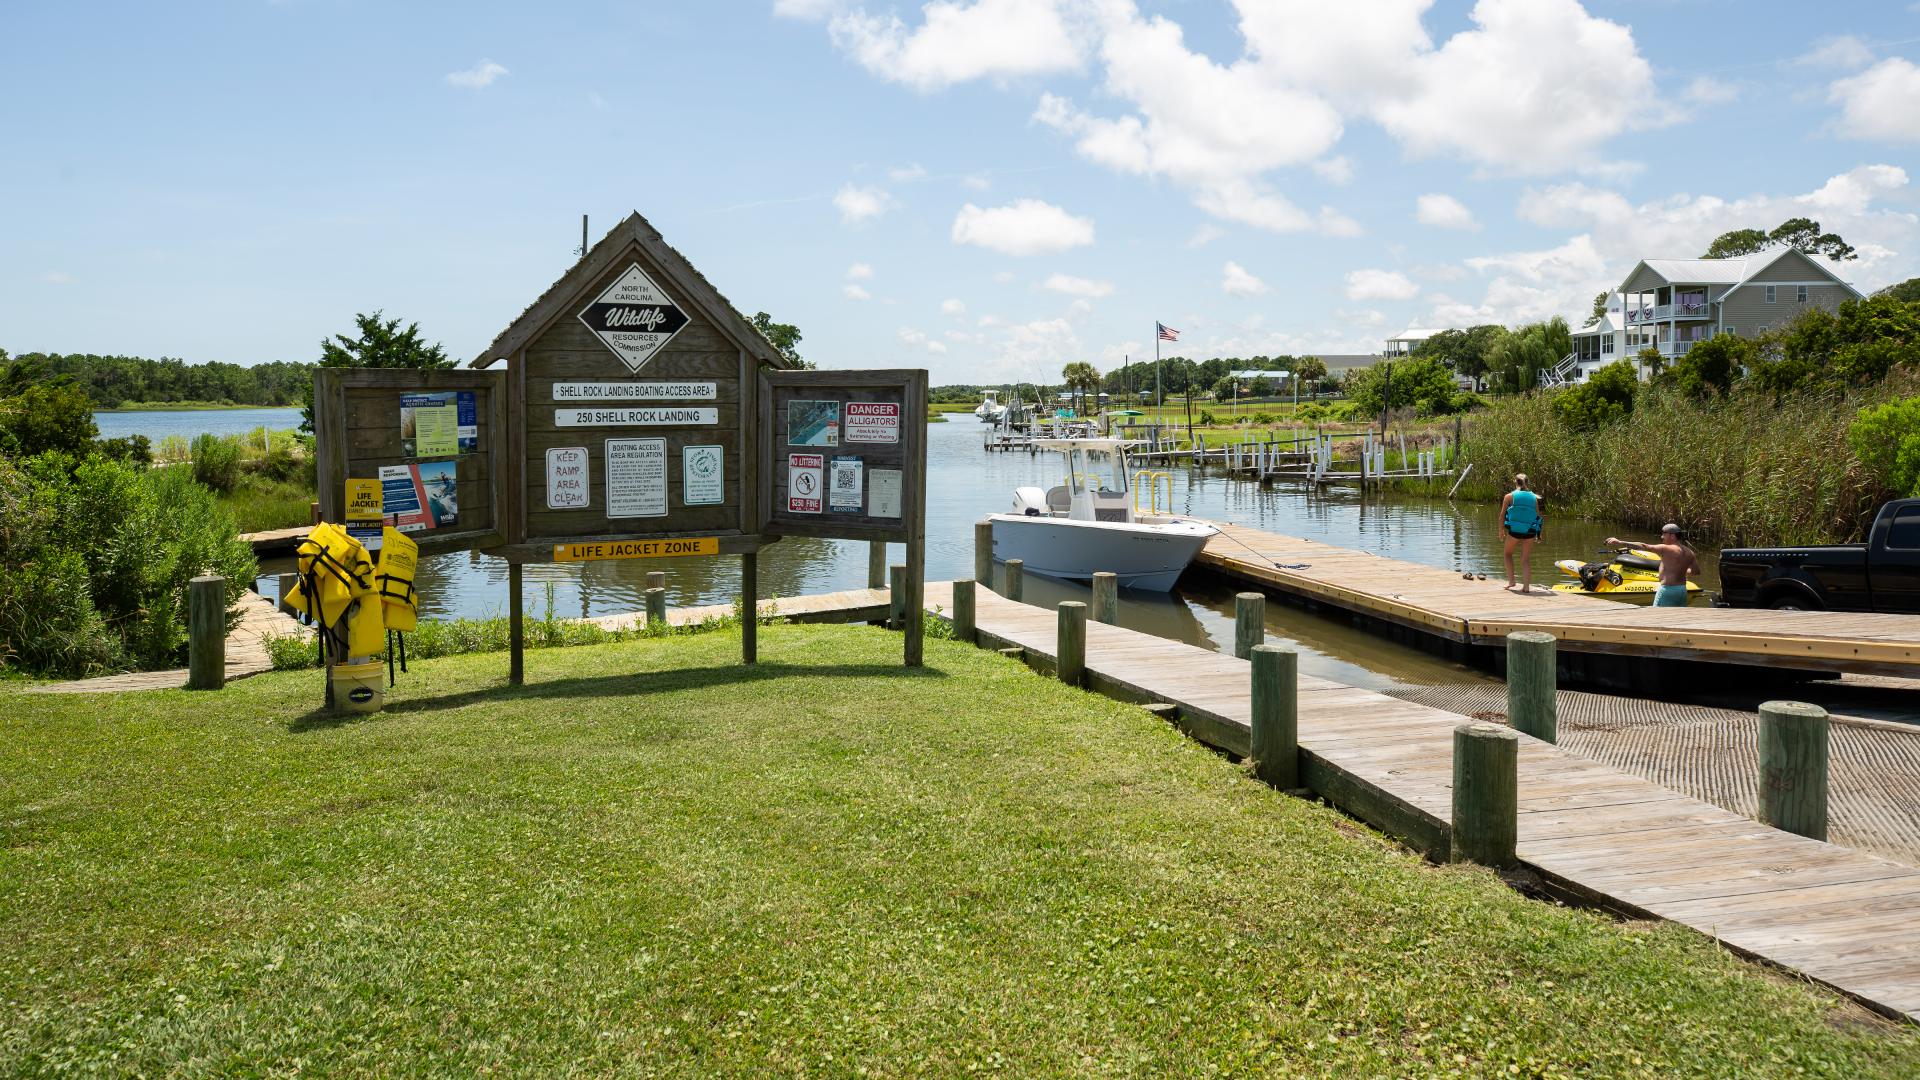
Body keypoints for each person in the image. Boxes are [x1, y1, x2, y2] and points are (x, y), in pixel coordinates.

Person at [1604, 524, 1700, 607]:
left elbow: (1644, 546)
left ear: (1672, 535)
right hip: (1682, 590)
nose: (1662, 537)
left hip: (1667, 590)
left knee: (1656, 616)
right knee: (1677, 616)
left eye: (1664, 534)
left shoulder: (1666, 548)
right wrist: (1679, 571)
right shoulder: (1689, 552)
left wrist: (1620, 542)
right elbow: (1696, 571)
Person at [1500, 474, 1543, 593]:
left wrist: (1501, 530)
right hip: (1529, 532)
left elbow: (1502, 516)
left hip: (1514, 531)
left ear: (1515, 482)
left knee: (1507, 553)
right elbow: (1538, 517)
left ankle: (1511, 581)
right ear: (1527, 482)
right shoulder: (1534, 498)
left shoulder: (1509, 496)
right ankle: (1526, 587)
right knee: (1525, 559)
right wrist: (1539, 534)